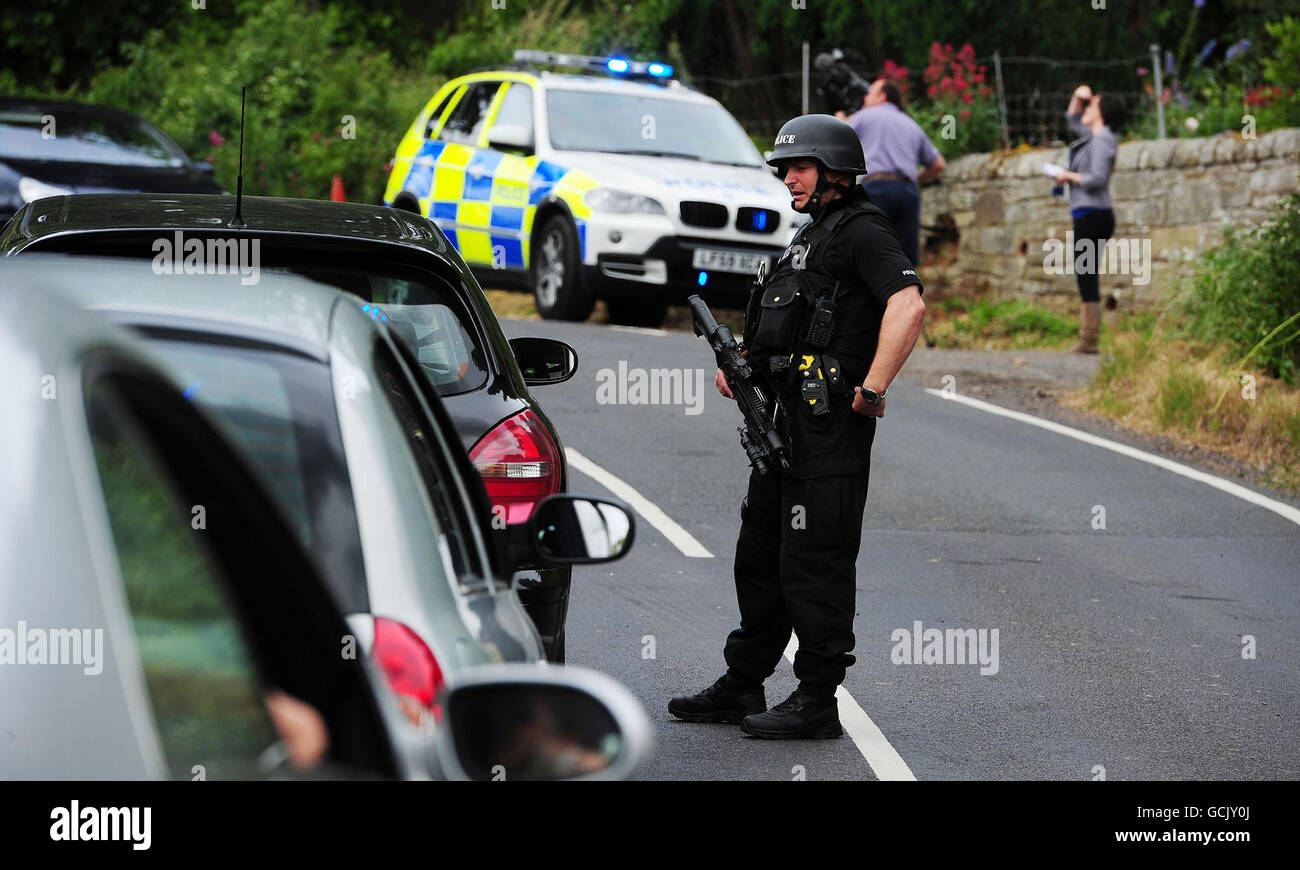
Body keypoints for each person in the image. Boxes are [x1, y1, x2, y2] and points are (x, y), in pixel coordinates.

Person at [668, 114, 926, 739]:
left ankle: (816, 700)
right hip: (783, 424)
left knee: (815, 559)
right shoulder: (809, 237)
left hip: (831, 427)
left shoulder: (864, 229)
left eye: (800, 167)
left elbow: (908, 303)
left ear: (836, 172)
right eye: (785, 168)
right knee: (760, 552)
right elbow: (794, 322)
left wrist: (873, 388)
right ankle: (744, 680)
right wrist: (747, 367)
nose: (789, 179)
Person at [1053, 84, 1126, 353]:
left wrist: (1067, 176)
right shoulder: (1093, 136)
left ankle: (1089, 339)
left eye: (1092, 104)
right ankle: (1088, 338)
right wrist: (1077, 96)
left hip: (1094, 215)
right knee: (1085, 272)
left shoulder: (1104, 139)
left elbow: (1097, 179)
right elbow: (1071, 119)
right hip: (1086, 213)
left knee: (1086, 273)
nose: (1086, 108)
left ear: (1102, 112)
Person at [842, 78, 946, 267]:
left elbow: (838, 135)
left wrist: (840, 118)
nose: (865, 97)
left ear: (882, 96)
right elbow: (938, 164)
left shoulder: (865, 116)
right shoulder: (911, 124)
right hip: (908, 192)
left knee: (871, 249)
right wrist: (917, 179)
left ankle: (871, 295)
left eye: (870, 93)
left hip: (877, 189)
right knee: (904, 257)